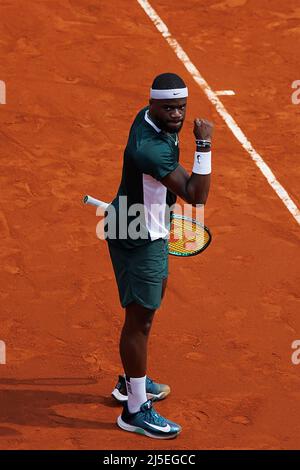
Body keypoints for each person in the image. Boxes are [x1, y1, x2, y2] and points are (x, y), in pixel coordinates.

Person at [105, 72, 213, 439]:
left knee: (145, 312)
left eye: (181, 107)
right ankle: (134, 409)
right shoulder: (150, 147)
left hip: (139, 225)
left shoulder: (147, 118)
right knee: (140, 321)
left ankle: (130, 382)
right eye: (169, 108)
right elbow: (197, 195)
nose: (177, 115)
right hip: (139, 236)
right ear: (152, 104)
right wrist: (204, 145)